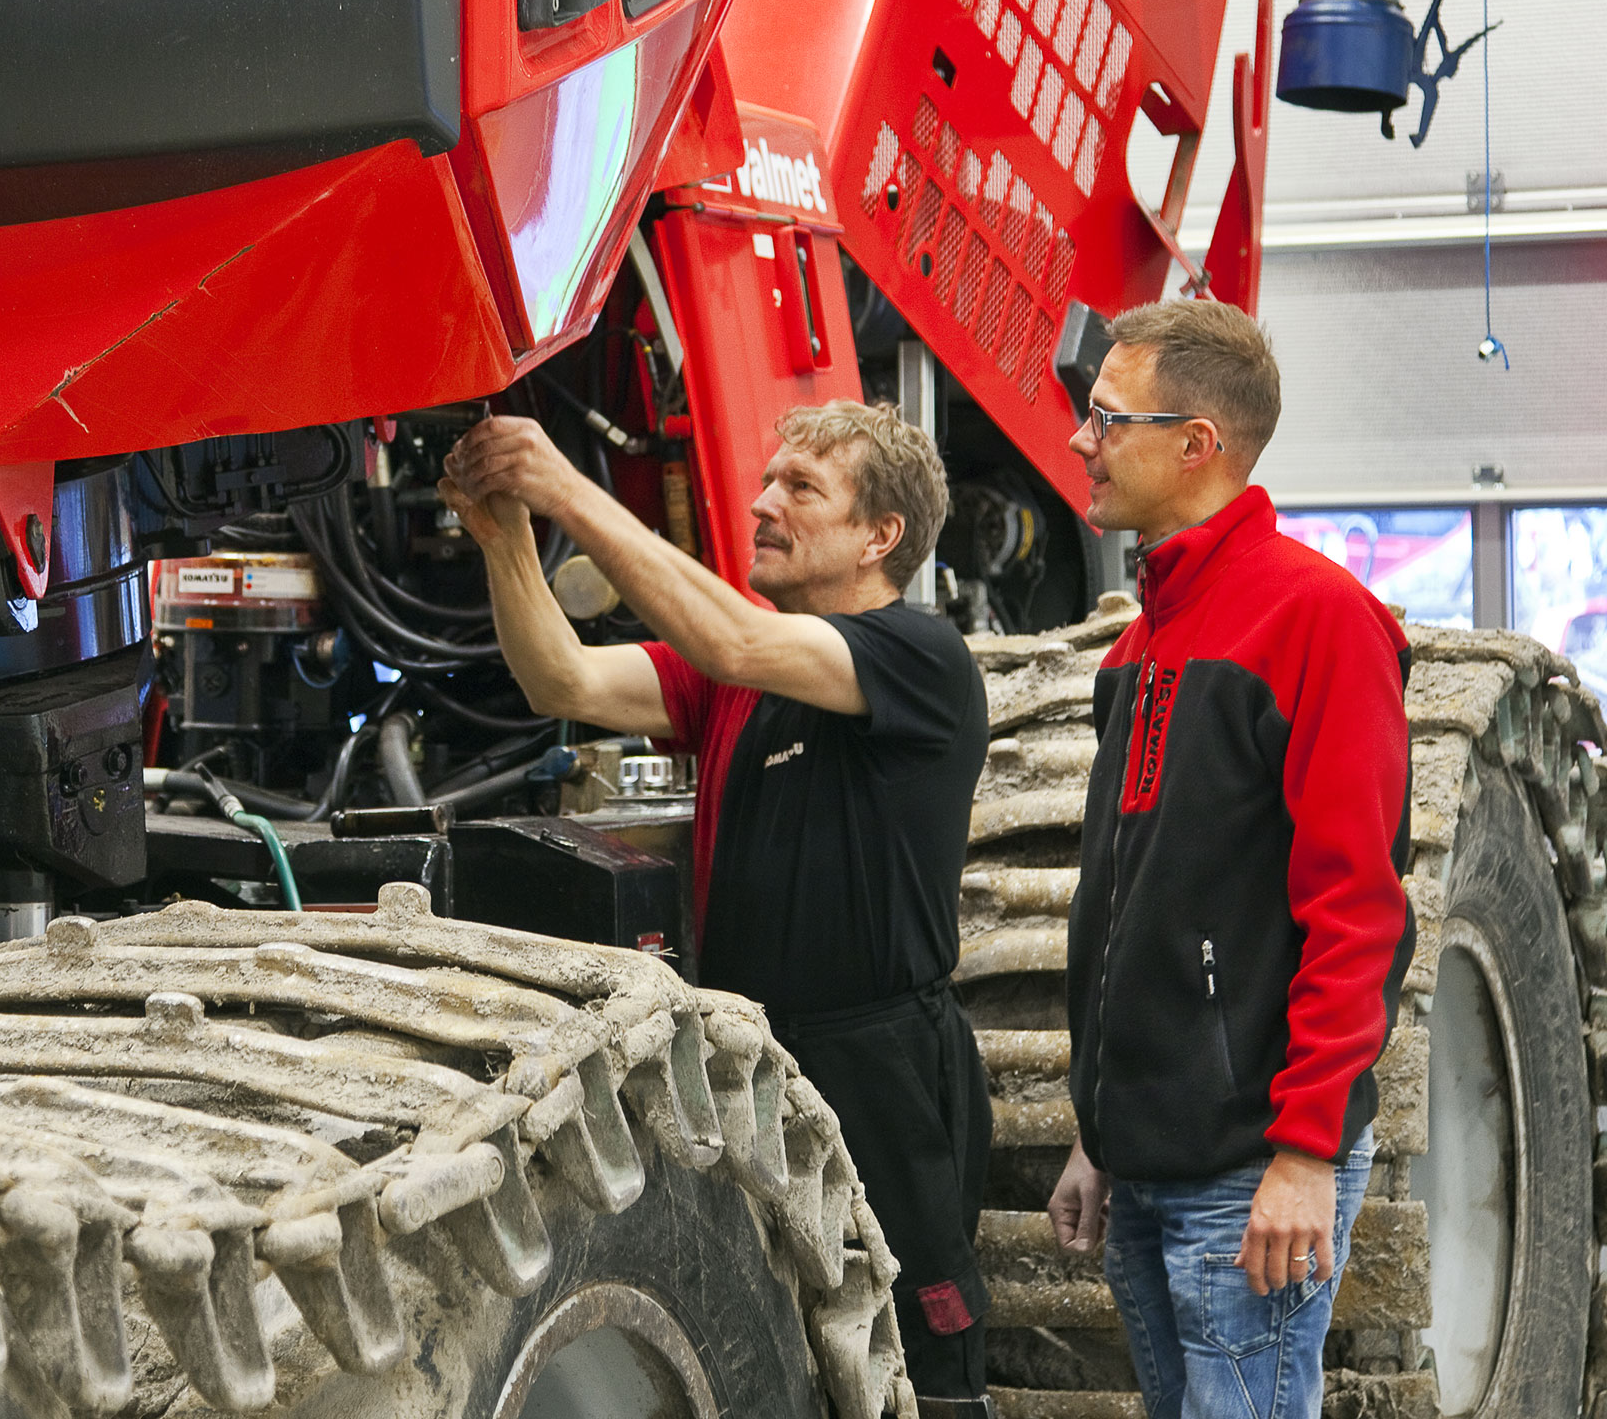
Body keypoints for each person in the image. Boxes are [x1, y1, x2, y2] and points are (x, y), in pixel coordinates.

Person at [443, 400, 995, 1414]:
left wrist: (565, 485)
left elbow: (738, 640)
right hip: (751, 1062)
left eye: (800, 489)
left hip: (880, 1067)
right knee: (774, 1332)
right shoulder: (737, 675)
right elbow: (557, 675)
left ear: (883, 536)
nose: (762, 504)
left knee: (916, 1353)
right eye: (767, 480)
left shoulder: (918, 654)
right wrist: (505, 535)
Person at [1043, 299, 1412, 1419]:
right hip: (1146, 1164)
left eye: (1105, 418)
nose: (1078, 440)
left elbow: (1357, 911)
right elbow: (1132, 914)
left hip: (1250, 1167)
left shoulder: (1317, 622)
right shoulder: (1141, 643)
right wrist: (1095, 1133)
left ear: (1195, 444)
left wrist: (1304, 1152)